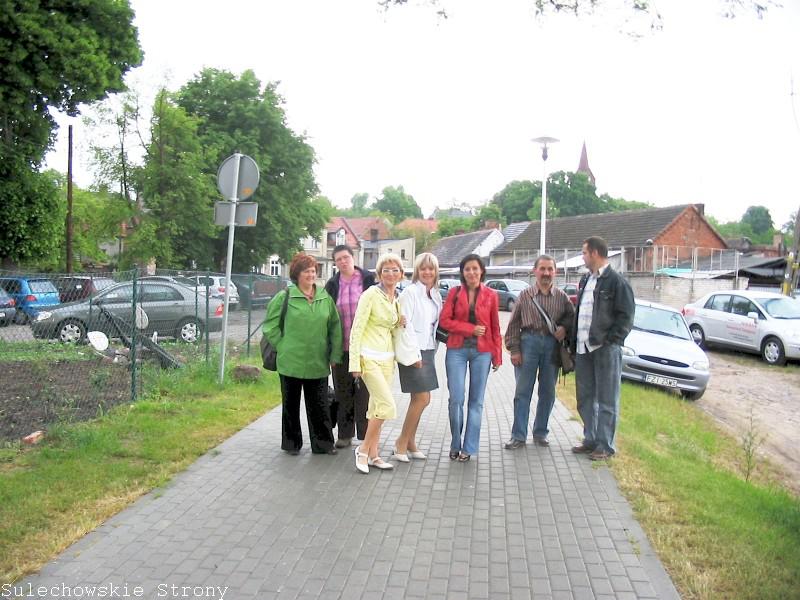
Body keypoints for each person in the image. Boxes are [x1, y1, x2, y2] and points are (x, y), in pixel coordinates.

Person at [263, 253, 343, 456]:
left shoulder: (325, 297)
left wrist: (335, 355)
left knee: (320, 406)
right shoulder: (284, 297)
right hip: (291, 362)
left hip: (318, 362)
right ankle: (292, 444)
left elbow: (335, 327)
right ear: (297, 274)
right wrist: (283, 346)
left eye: (313, 270)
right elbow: (270, 326)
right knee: (290, 406)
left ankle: (323, 444)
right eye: (306, 271)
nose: (311, 274)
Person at [570, 236, 635, 461]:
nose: (582, 257)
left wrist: (611, 340)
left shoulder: (616, 282)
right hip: (583, 348)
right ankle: (590, 439)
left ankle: (605, 445)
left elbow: (626, 317)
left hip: (605, 348)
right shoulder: (585, 280)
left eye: (584, 253)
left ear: (595, 253)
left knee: (607, 399)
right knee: (585, 397)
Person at [504, 255, 575, 449]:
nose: (546, 273)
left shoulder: (561, 297)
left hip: (552, 345)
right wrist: (514, 350)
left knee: (548, 392)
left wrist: (564, 328)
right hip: (528, 343)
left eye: (550, 269)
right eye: (542, 269)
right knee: (522, 392)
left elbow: (572, 318)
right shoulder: (525, 295)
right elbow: (513, 324)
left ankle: (541, 432)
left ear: (555, 272)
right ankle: (518, 436)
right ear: (535, 271)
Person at [439, 253, 502, 462]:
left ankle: (469, 447)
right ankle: (455, 442)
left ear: (482, 271)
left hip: (482, 352)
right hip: (456, 349)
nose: (472, 272)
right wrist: (469, 329)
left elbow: (495, 327)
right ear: (462, 272)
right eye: (467, 269)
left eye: (475, 268)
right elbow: (445, 321)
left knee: (476, 402)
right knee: (456, 399)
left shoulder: (491, 295)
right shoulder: (454, 293)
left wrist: (497, 356)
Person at [349, 253, 406, 474]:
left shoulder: (396, 299)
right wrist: (354, 363)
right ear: (379, 274)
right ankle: (363, 450)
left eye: (395, 270)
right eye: (386, 270)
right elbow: (357, 328)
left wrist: (399, 321)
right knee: (387, 406)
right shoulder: (370, 295)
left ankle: (374, 455)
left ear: (401, 274)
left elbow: (390, 327)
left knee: (375, 407)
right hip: (368, 357)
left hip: (387, 359)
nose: (390, 274)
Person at [325, 244, 376, 448]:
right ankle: (345, 435)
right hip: (342, 348)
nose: (343, 262)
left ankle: (365, 436)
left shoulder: (367, 280)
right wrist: (330, 350)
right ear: (335, 263)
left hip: (364, 348)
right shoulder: (332, 285)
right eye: (338, 259)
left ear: (353, 257)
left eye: (345, 257)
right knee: (343, 392)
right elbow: (327, 318)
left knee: (364, 393)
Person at [393, 252, 443, 463]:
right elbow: (405, 327)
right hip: (413, 352)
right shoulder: (410, 293)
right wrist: (414, 355)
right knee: (423, 399)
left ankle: (410, 442)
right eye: (423, 268)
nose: (427, 272)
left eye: (431, 268)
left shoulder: (435, 295)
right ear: (417, 271)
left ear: (436, 271)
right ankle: (401, 442)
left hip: (428, 350)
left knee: (419, 399)